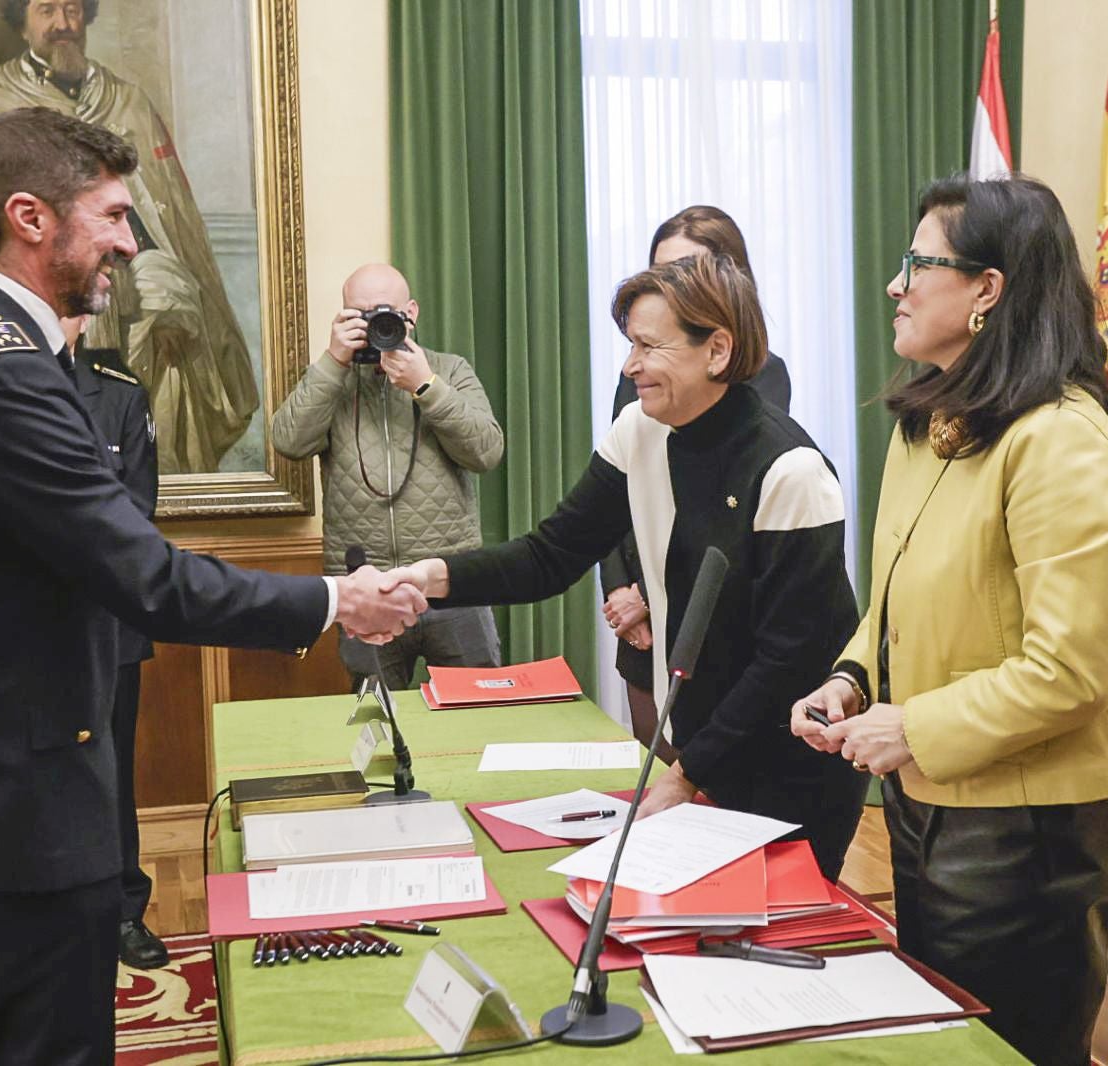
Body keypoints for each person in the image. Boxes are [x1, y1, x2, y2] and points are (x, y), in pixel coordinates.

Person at [0, 107, 424, 1064]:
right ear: (31, 217)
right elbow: (143, 574)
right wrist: (336, 599)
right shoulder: (0, 370)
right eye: (114, 216)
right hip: (18, 801)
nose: (131, 241)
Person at [790, 174, 1108, 1066]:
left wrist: (912, 724)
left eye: (919, 262)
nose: (896, 284)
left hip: (1027, 834)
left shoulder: (1060, 439)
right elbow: (894, 601)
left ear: (988, 289)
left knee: (1008, 1051)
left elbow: (1070, 670)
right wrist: (851, 680)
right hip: (928, 801)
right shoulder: (933, 423)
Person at [387, 252, 866, 879]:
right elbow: (552, 555)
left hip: (789, 765)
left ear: (716, 350)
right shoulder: (640, 429)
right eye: (628, 344)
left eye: (647, 346)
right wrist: (433, 578)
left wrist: (688, 774)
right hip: (703, 749)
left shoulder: (791, 469)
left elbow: (786, 662)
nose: (628, 366)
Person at [0, 0, 257, 472]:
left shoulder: (126, 100)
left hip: (125, 290)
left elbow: (164, 212)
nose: (62, 24)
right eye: (46, 10)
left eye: (72, 10)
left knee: (171, 310)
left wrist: (155, 264)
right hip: (46, 286)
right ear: (22, 22)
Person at [601, 206, 790, 761]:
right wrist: (619, 589)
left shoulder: (762, 378)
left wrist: (658, 595)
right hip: (639, 615)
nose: (667, 288)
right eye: (659, 273)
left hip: (699, 613)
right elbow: (617, 482)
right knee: (652, 780)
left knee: (702, 790)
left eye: (684, 272)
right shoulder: (638, 373)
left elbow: (719, 512)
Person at [272, 264, 504, 691]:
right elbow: (288, 441)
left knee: (475, 717)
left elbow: (486, 451)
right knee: (378, 726)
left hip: (450, 582)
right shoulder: (332, 381)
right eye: (360, 315)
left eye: (386, 313)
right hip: (367, 589)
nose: (376, 324)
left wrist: (426, 387)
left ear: (411, 312)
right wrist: (332, 363)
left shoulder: (448, 370)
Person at [62, 314, 168, 970]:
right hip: (18, 632)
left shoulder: (119, 393)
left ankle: (125, 910)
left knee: (110, 774)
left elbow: (135, 513)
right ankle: (56, 920)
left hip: (105, 624)